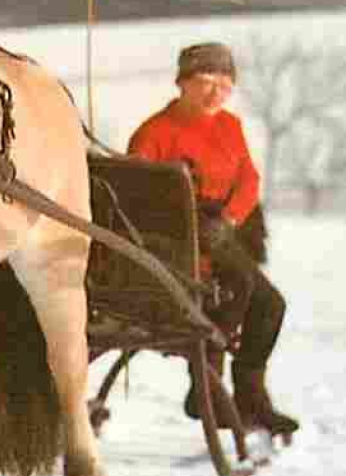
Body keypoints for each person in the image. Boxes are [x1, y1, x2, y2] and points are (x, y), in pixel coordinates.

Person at [127, 42, 299, 438]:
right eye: (205, 82)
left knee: (270, 305)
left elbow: (249, 179)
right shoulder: (155, 133)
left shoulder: (230, 126)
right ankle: (207, 389)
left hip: (225, 237)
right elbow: (137, 200)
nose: (215, 93)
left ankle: (250, 398)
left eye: (224, 84)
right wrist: (188, 230)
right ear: (182, 83)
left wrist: (230, 218)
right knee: (233, 292)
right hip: (179, 250)